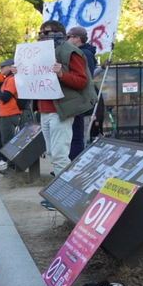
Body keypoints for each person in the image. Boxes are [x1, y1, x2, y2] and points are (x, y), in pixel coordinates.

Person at [37, 20, 97, 180]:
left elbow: (82, 81)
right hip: (46, 109)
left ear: (58, 33)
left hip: (61, 110)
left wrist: (62, 74)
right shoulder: (41, 52)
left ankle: (64, 193)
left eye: (46, 32)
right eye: (41, 32)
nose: (42, 35)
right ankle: (60, 190)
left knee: (60, 155)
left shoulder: (70, 52)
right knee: (52, 153)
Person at [67, 26, 98, 160]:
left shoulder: (85, 54)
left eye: (68, 37)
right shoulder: (77, 53)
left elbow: (85, 79)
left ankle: (74, 165)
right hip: (72, 100)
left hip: (78, 101)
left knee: (76, 135)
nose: (66, 40)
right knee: (70, 135)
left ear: (77, 39)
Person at [0, 59, 22, 174]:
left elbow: (6, 97)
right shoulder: (8, 80)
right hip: (7, 114)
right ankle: (12, 166)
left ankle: (12, 167)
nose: (1, 69)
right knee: (7, 140)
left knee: (8, 141)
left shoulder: (12, 80)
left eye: (2, 67)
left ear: (10, 67)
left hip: (10, 114)